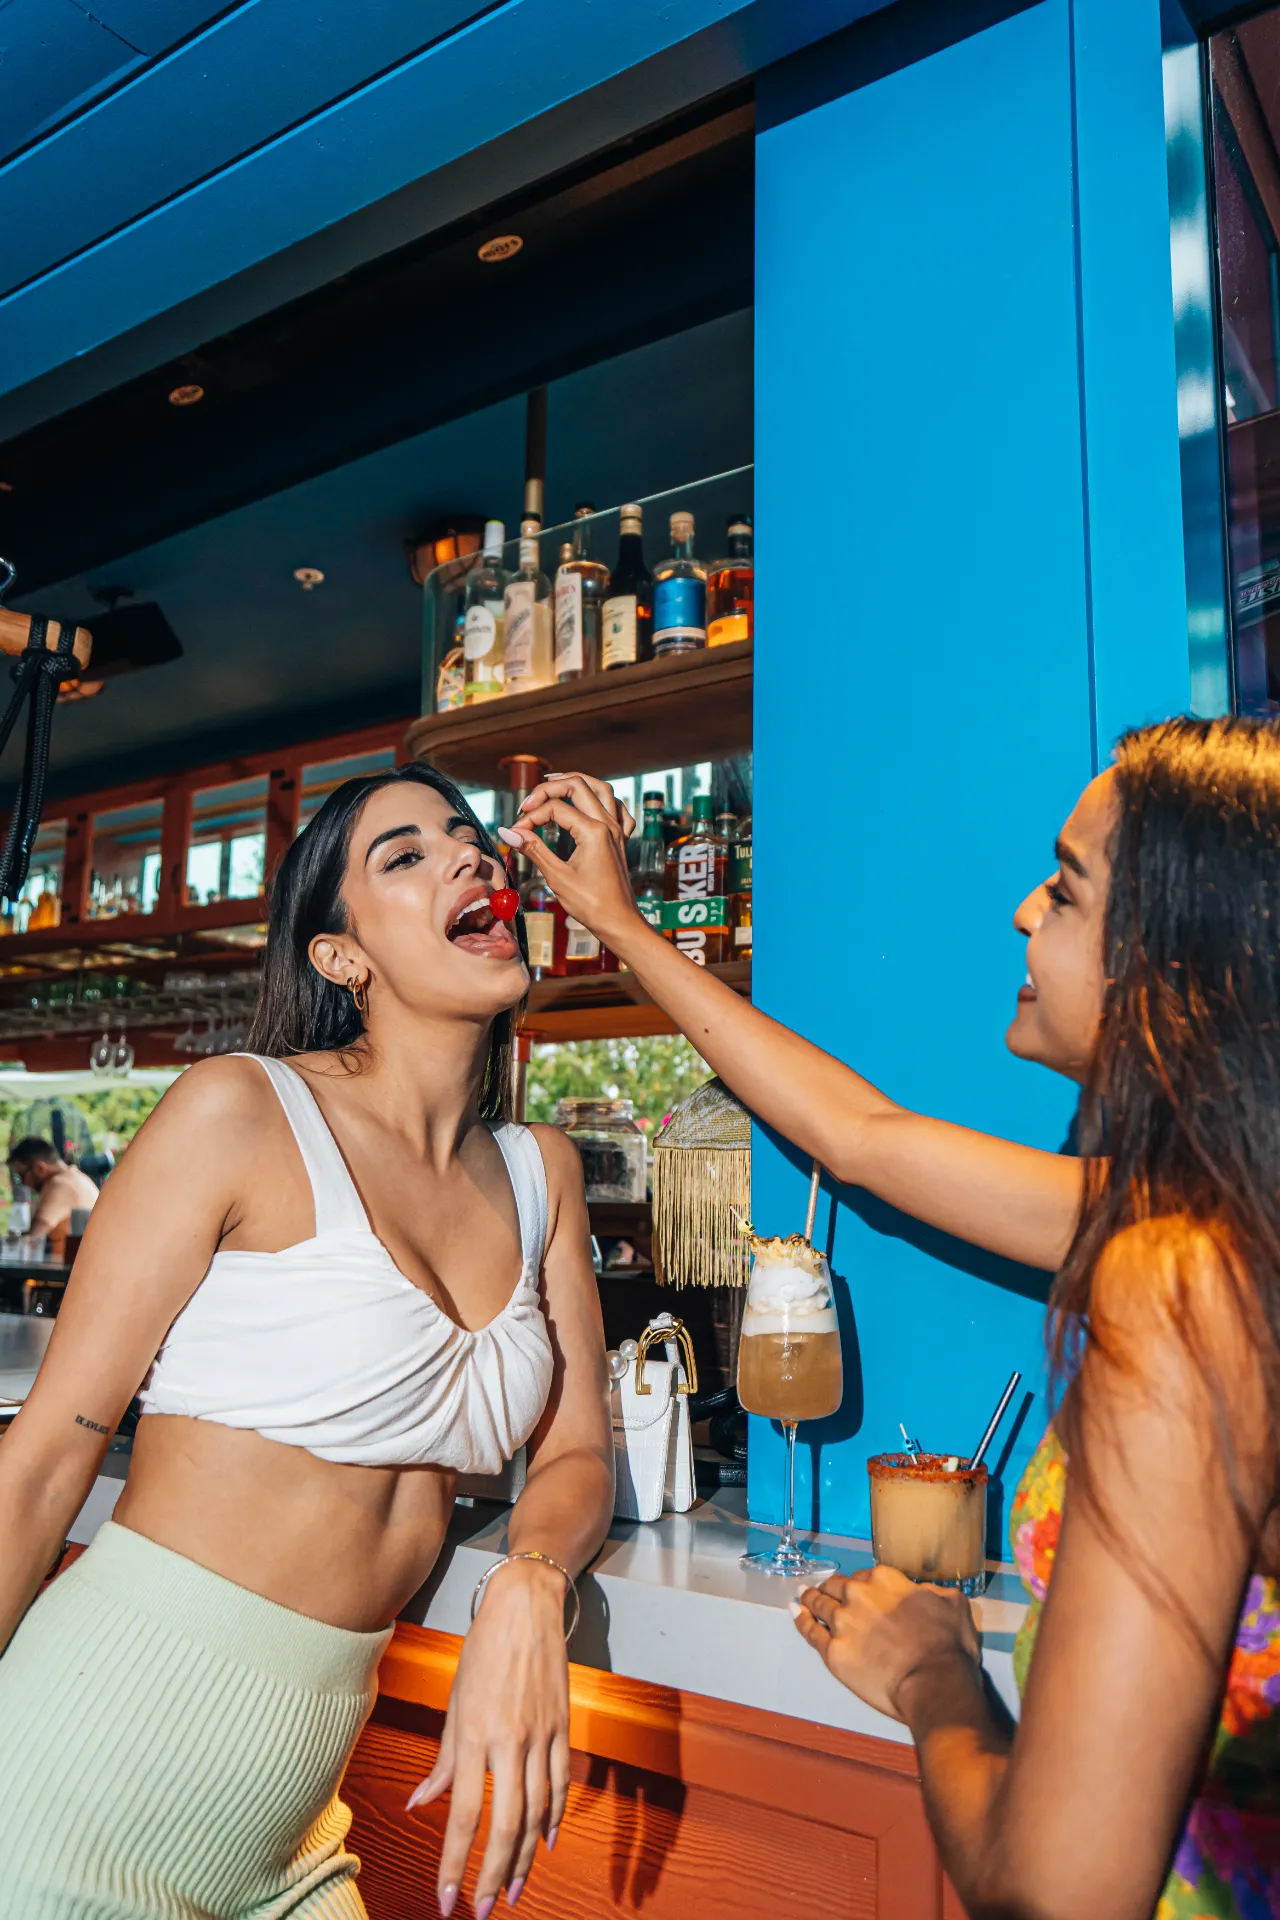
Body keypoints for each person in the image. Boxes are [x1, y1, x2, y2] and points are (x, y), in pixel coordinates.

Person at [502, 721, 1280, 1920]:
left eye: (1065, 888)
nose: (1022, 912)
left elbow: (1058, 1893)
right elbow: (859, 1137)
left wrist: (932, 1675)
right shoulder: (1212, 1224)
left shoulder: (1180, 1282)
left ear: (1177, 961)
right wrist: (617, 924)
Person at [0, 763, 613, 1920]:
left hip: (288, 1841)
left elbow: (578, 1452)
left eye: (468, 837)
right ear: (340, 957)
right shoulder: (238, 1109)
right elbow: (38, 1467)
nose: (469, 855)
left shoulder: (543, 1172)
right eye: (406, 855)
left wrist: (529, 1585)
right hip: (69, 1787)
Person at [7, 1135, 100, 1260]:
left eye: (22, 1176)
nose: (24, 1184)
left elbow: (31, 1240)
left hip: (72, 1271)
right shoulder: (78, 1178)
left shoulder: (59, 1185)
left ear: (40, 1168)